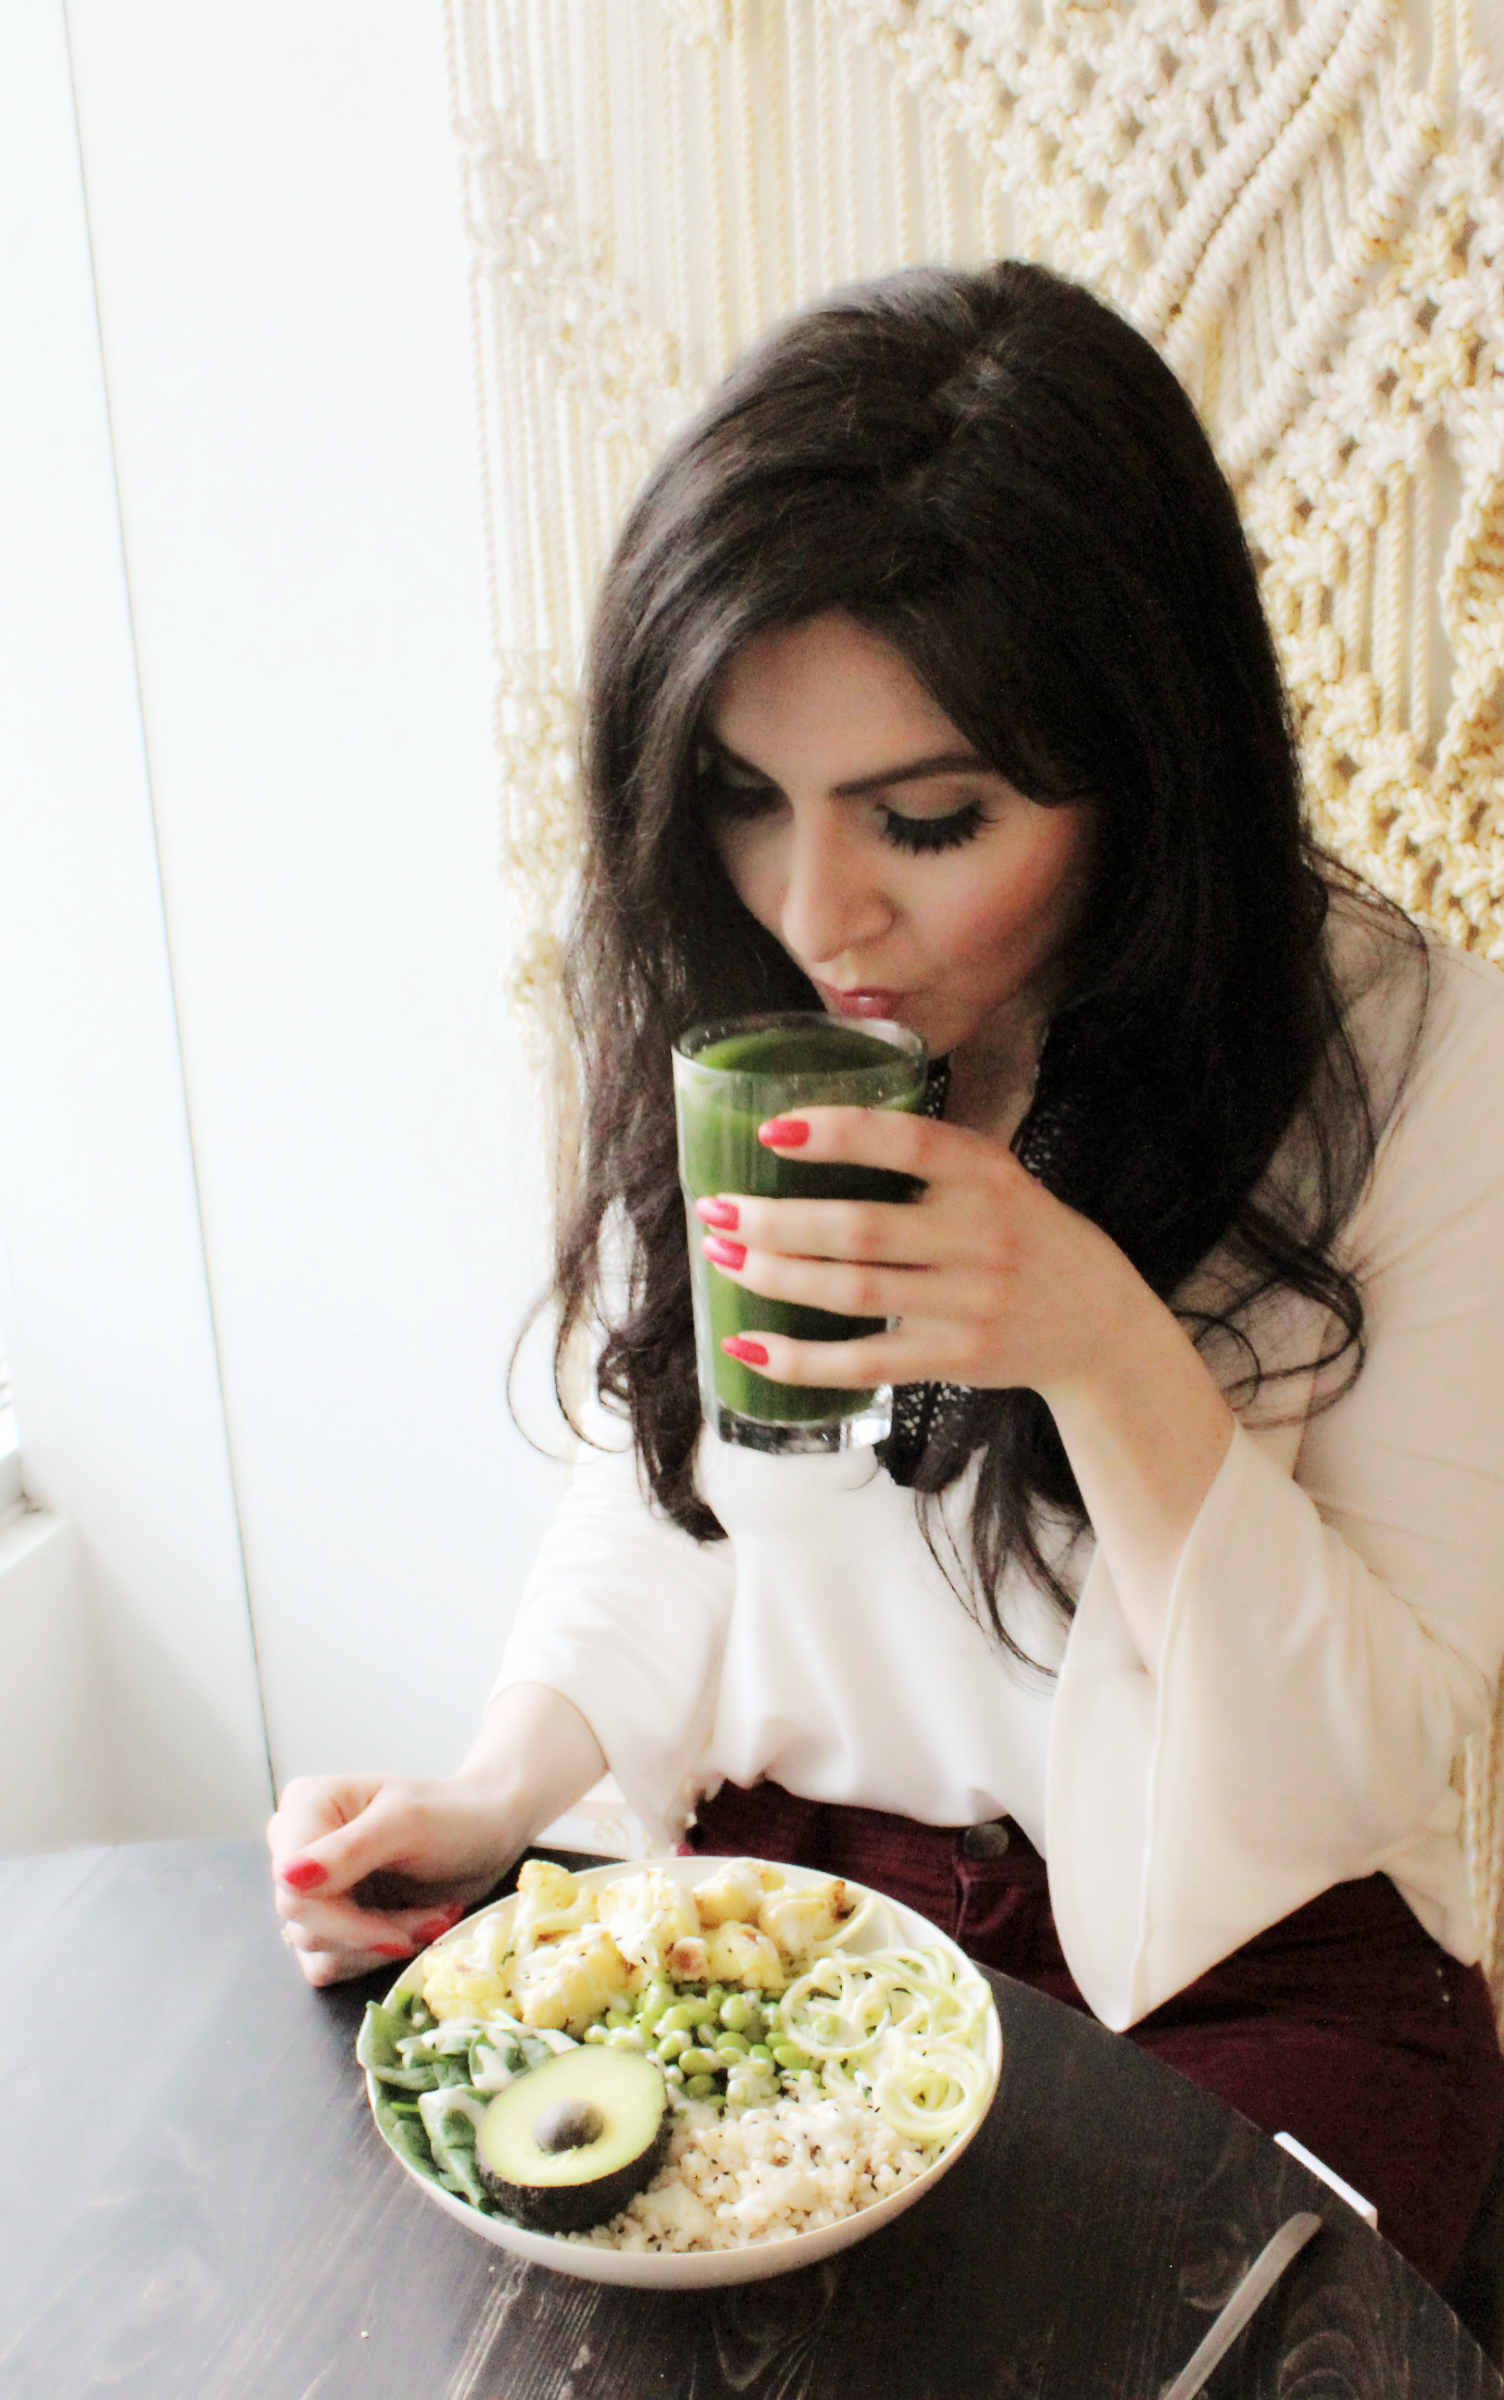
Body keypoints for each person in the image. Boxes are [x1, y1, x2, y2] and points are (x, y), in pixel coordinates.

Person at [264, 260, 1504, 2287]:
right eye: (744, 800)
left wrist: (1105, 1348)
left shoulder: (1431, 1071)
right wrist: (506, 1787)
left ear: (1149, 767)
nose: (817, 904)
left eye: (930, 819)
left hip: (1257, 1962)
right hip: (814, 1912)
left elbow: (1379, 1755)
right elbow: (671, 1461)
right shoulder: (747, 993)